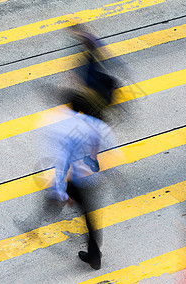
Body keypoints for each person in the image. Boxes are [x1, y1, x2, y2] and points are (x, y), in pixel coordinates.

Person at [46, 94, 115, 270]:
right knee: (90, 215)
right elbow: (111, 149)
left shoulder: (73, 130)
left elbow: (63, 161)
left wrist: (61, 192)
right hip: (93, 177)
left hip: (78, 179)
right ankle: (94, 254)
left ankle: (52, 203)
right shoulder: (99, 126)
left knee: (86, 214)